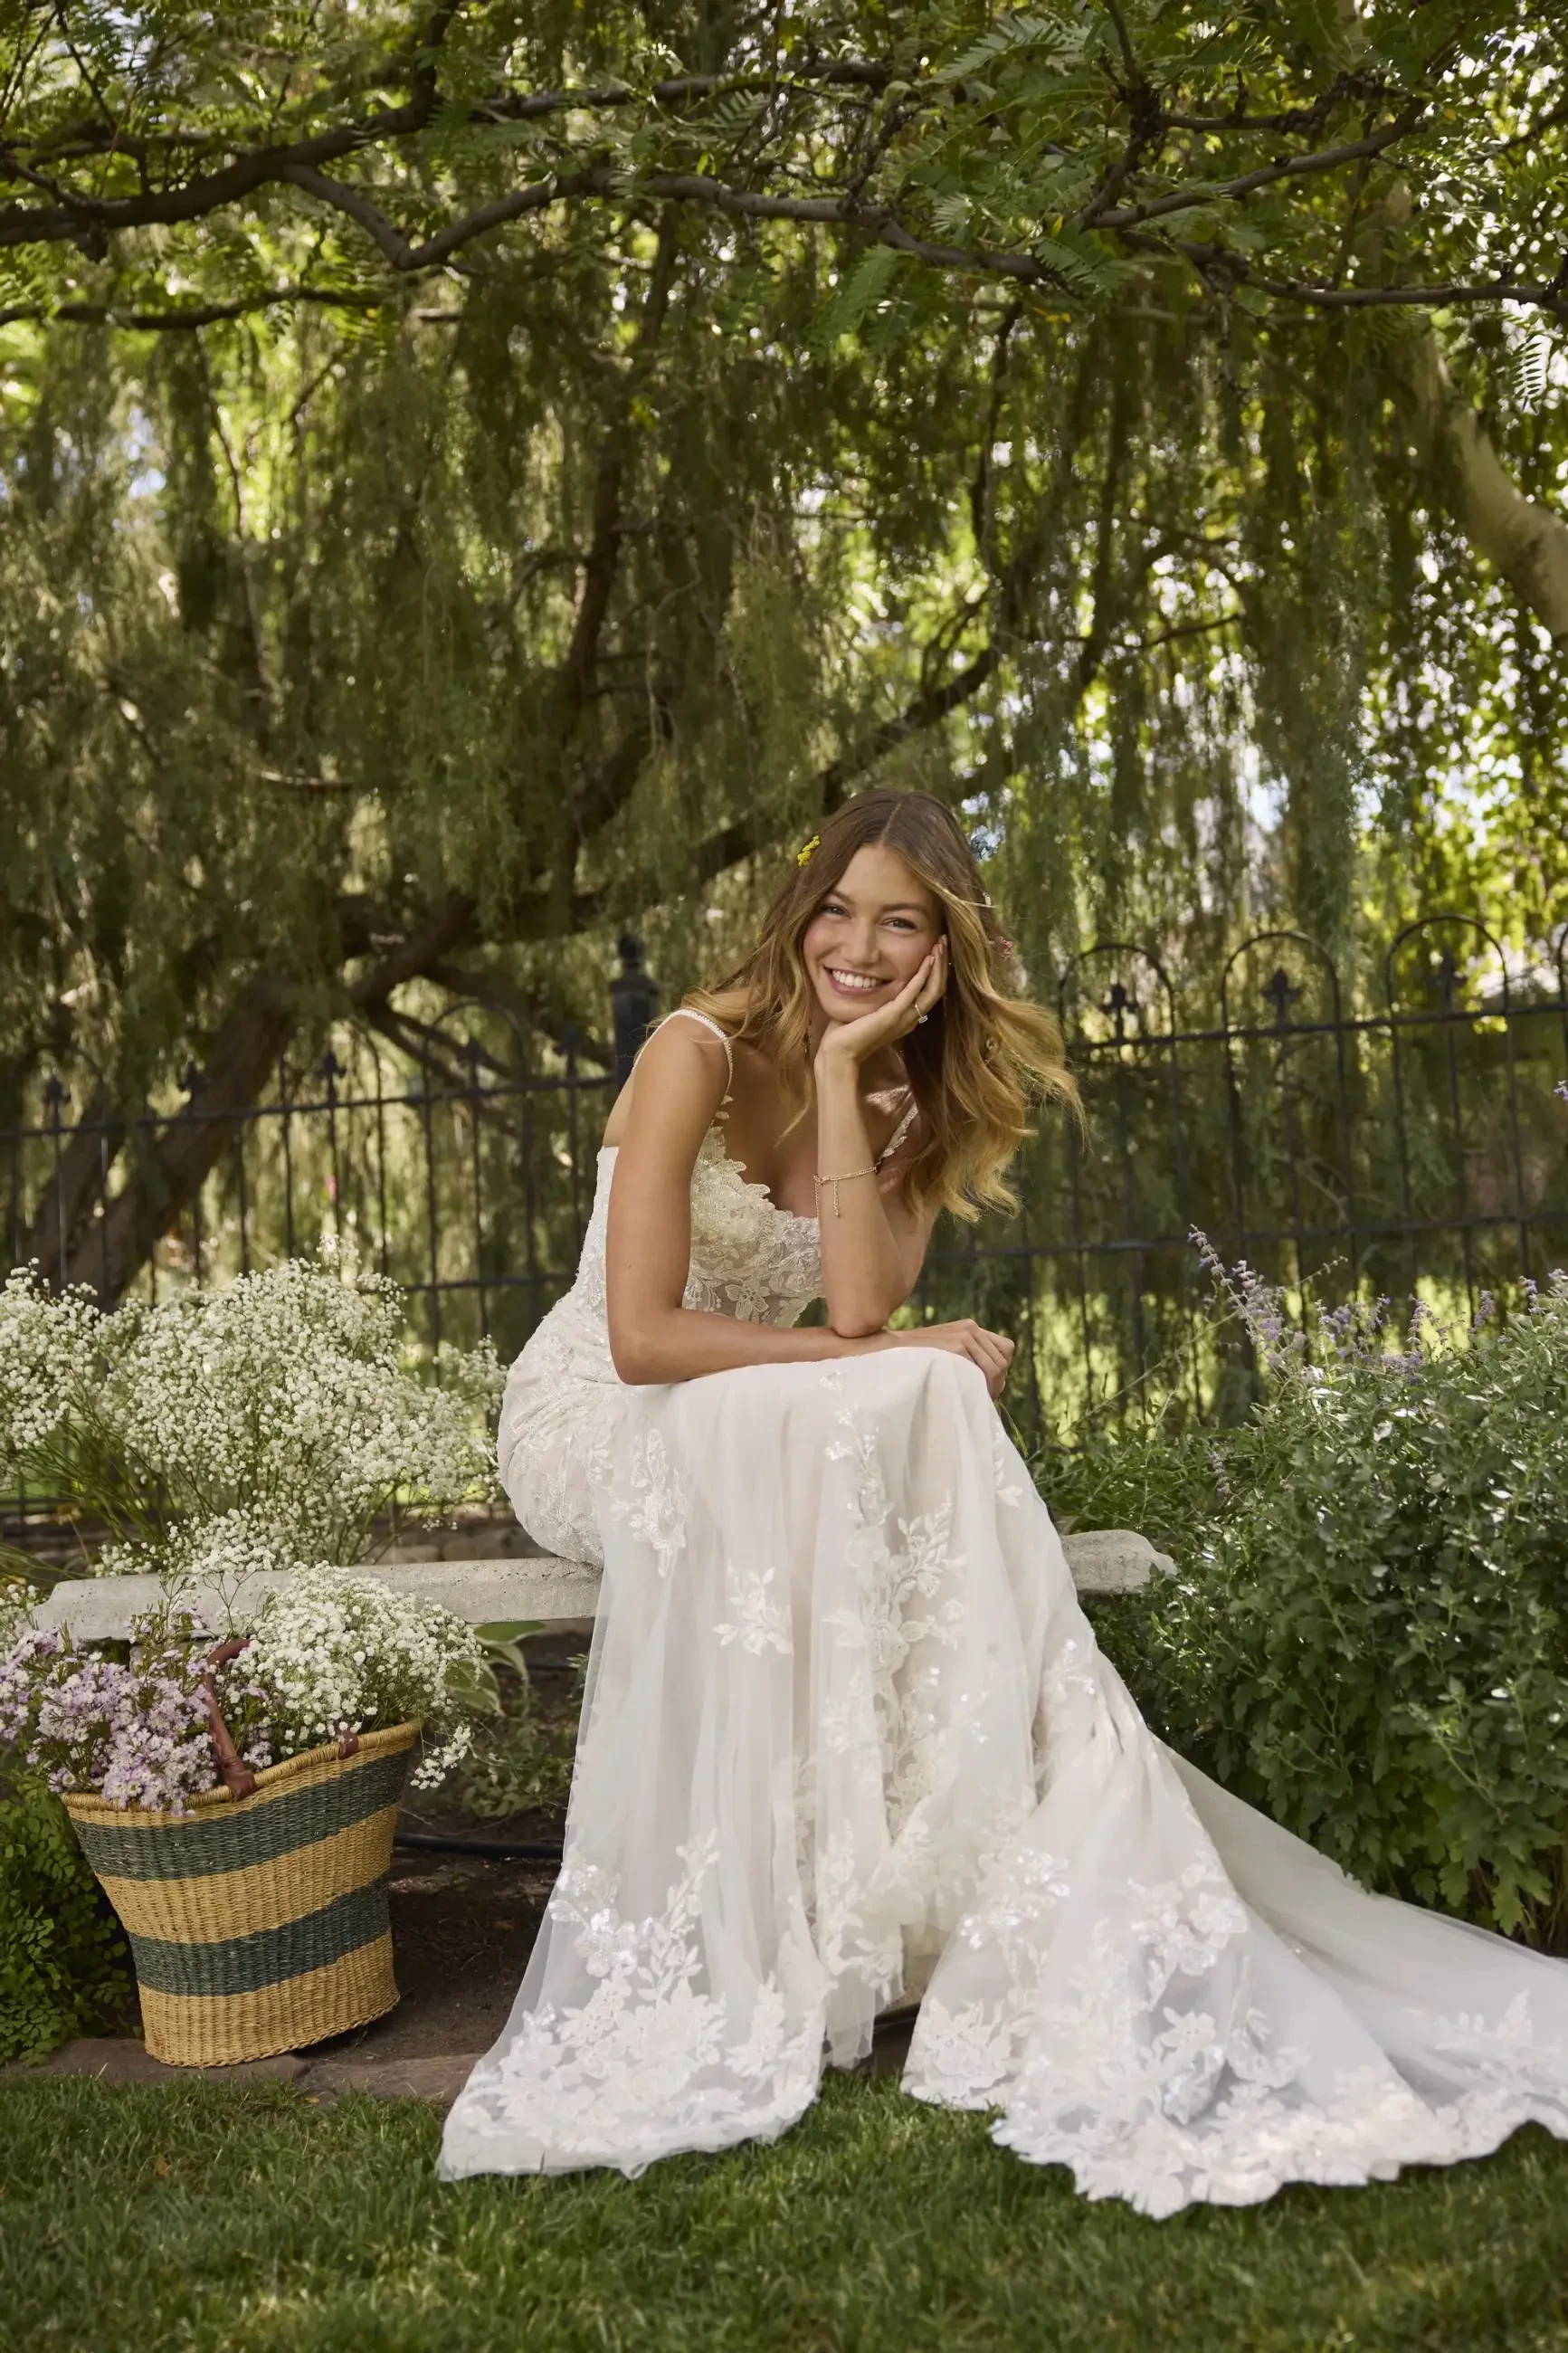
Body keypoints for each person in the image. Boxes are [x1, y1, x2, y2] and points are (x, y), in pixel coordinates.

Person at [440, 788, 1568, 2215]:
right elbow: (642, 1340)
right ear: (799, 913)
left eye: (897, 923)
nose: (856, 945)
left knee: (918, 1388)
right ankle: (888, 1857)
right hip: (601, 1421)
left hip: (763, 1414)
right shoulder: (691, 1053)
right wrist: (894, 1350)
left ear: (942, 950)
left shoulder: (911, 1101)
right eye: (838, 911)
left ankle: (944, 1854)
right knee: (912, 1383)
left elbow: (856, 1306)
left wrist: (853, 1074)